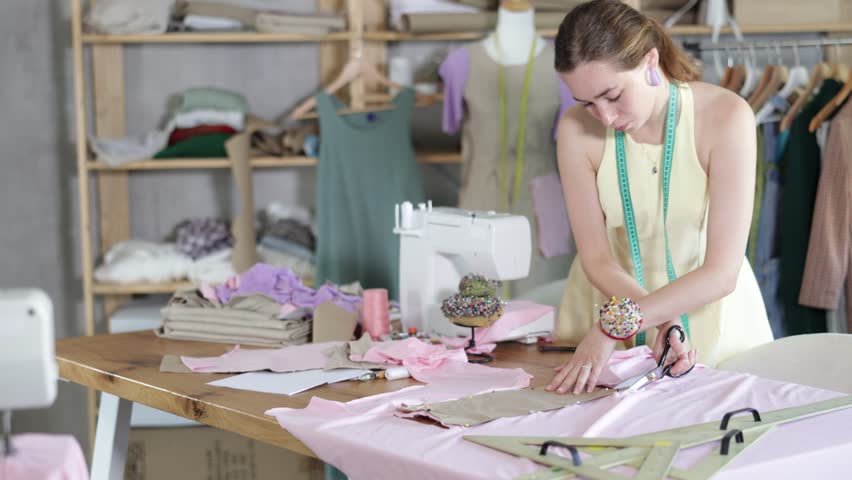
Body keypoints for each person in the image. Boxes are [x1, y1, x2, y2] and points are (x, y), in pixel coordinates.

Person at [547, 0, 773, 395]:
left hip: (708, 311)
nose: (605, 117)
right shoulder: (575, 129)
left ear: (650, 60)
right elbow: (596, 258)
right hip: (611, 303)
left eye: (613, 95)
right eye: (587, 103)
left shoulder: (726, 117)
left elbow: (721, 273)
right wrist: (658, 319)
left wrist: (618, 323)